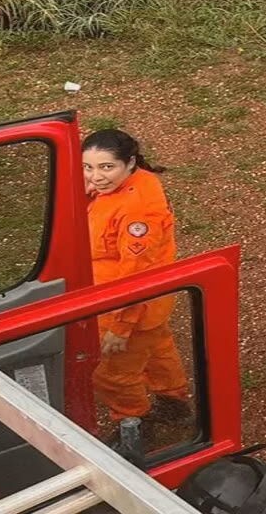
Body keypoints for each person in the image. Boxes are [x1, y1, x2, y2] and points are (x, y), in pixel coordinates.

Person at [83, 128, 191, 425]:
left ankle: (133, 423)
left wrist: (121, 326)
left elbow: (137, 274)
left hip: (129, 308)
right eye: (88, 167)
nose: (95, 176)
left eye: (107, 167)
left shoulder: (137, 210)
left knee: (110, 375)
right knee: (157, 350)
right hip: (147, 307)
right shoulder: (125, 185)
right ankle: (173, 400)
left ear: (129, 163)